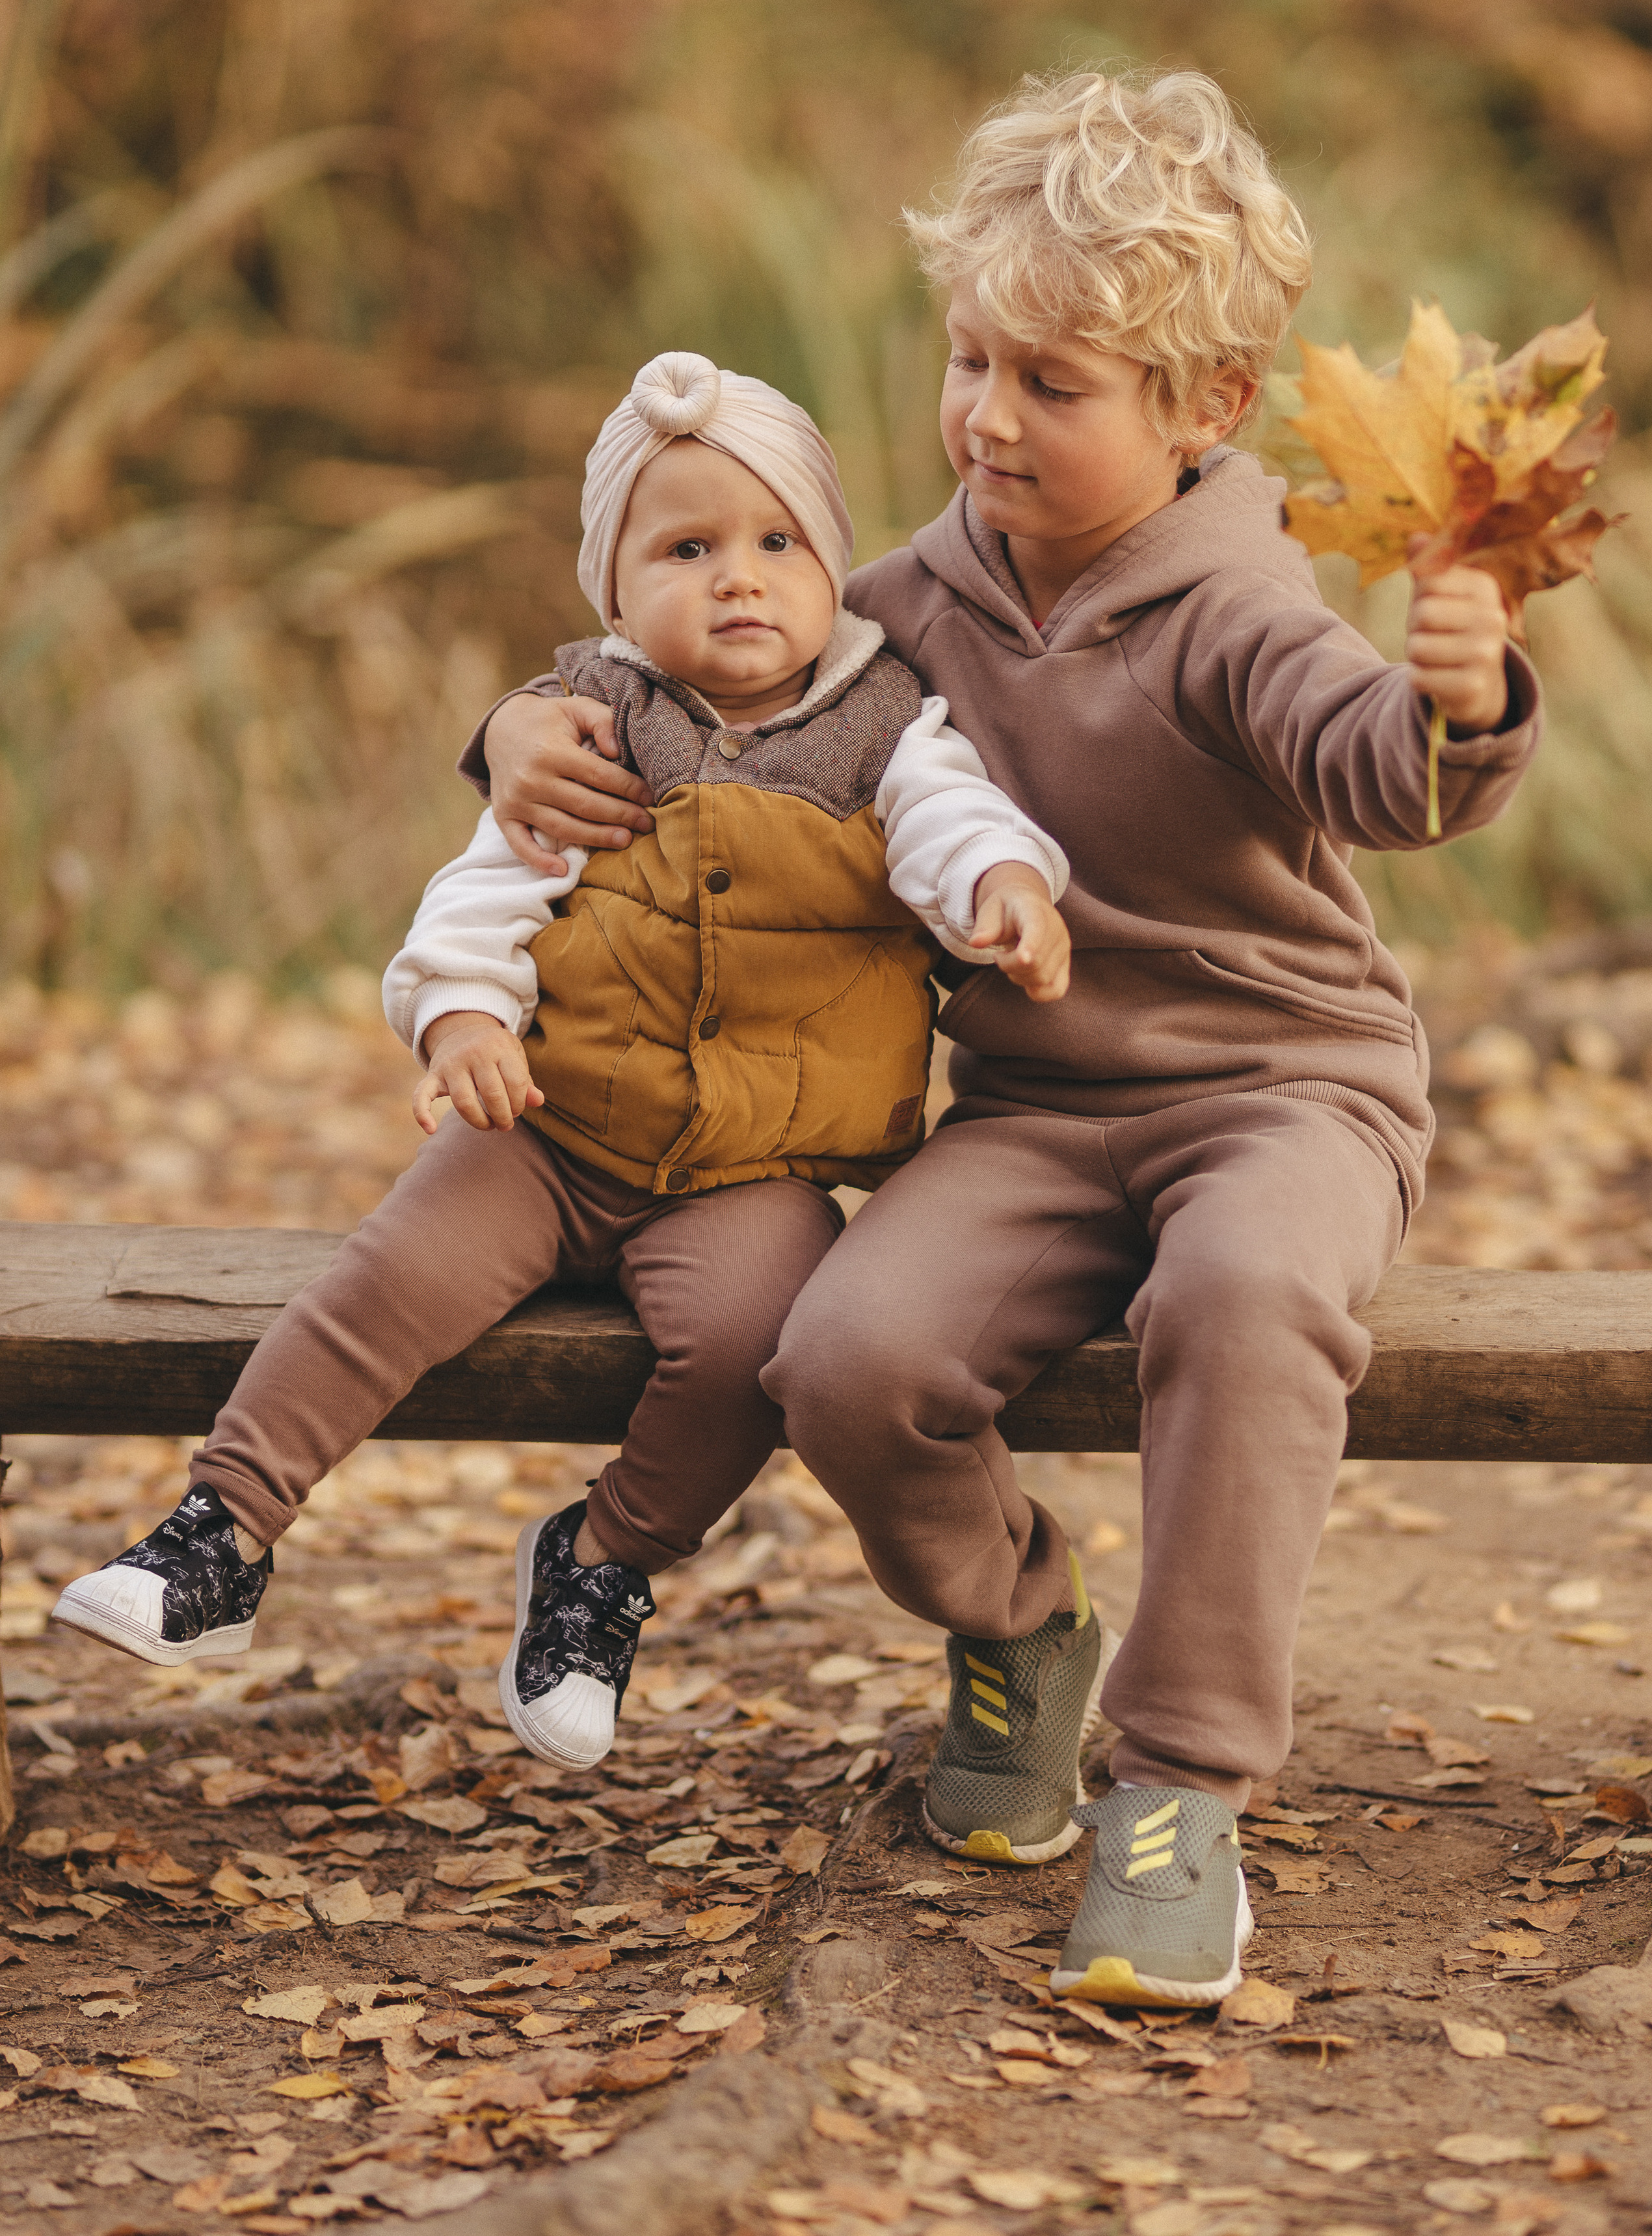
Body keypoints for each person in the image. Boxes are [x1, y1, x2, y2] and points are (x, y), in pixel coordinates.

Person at [470, 70, 1537, 2006]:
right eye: (973, 359)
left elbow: (1378, 770)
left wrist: (1462, 708)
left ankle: (1179, 1783)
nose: (985, 416)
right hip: (1037, 1108)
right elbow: (699, 676)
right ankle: (1021, 1621)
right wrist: (514, 736)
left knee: (1239, 1299)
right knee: (851, 1355)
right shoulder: (905, 607)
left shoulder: (1240, 605)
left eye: (1055, 383)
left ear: (1204, 406)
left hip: (1284, 1087)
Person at [53, 351, 1082, 1778]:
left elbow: (953, 824)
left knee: (749, 1352)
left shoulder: (887, 732)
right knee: (382, 1280)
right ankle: (219, 1531)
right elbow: (486, 892)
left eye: (777, 543)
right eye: (687, 548)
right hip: (547, 1130)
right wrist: (463, 1019)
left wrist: (1003, 890)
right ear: (613, 589)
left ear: (832, 562)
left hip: (754, 1170)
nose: (739, 578)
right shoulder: (596, 724)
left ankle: (600, 1565)